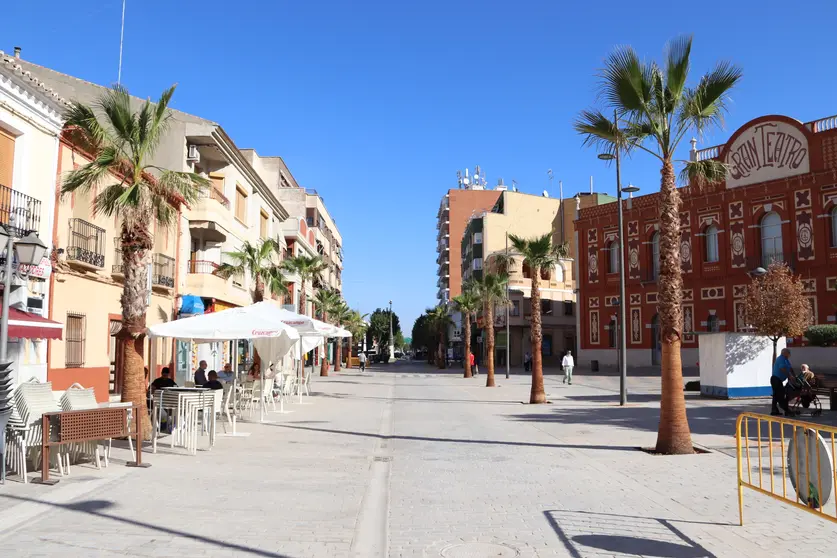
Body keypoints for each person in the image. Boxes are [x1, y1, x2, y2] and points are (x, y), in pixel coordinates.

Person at [771, 348, 793, 416]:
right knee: (780, 395)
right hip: (776, 379)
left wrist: (793, 375)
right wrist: (789, 376)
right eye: (788, 353)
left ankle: (774, 410)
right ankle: (786, 410)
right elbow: (782, 368)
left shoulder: (786, 360)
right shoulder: (781, 359)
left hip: (778, 380)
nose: (789, 354)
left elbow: (790, 368)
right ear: (785, 353)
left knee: (776, 395)